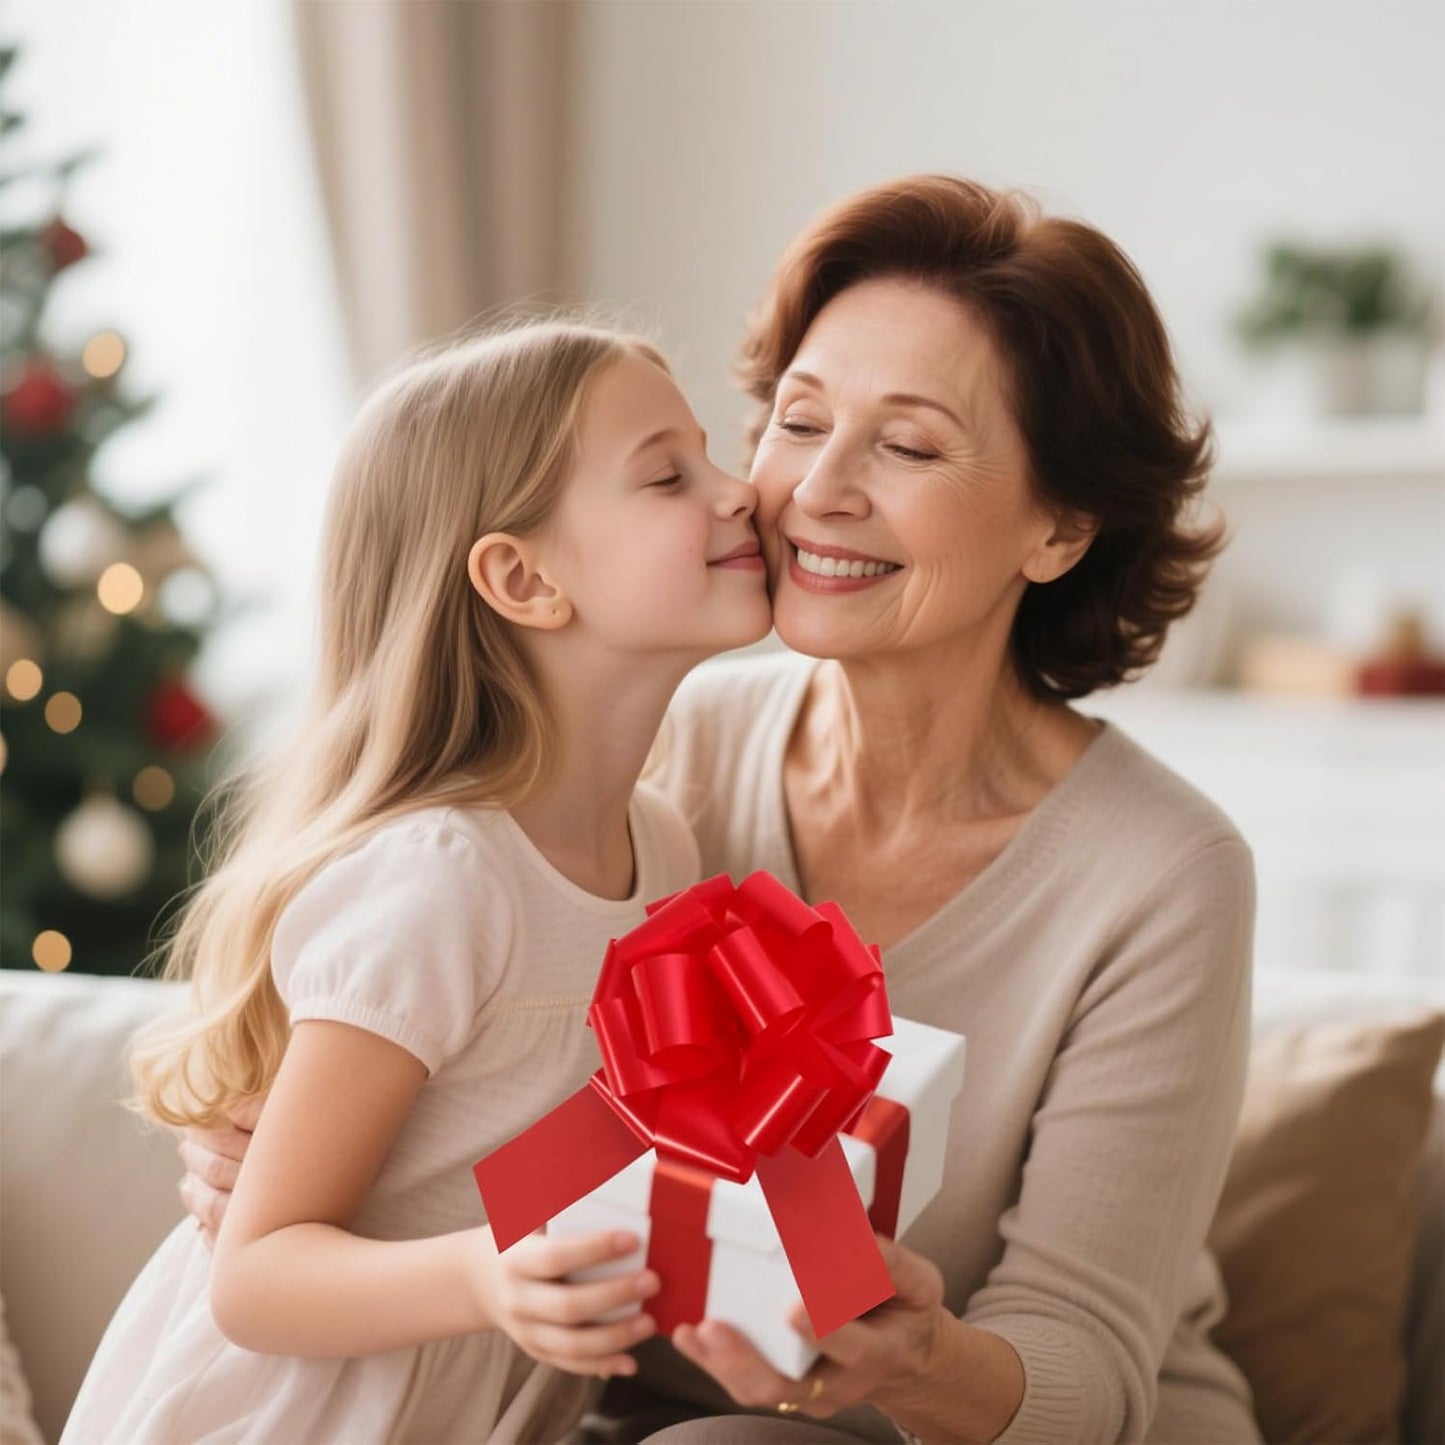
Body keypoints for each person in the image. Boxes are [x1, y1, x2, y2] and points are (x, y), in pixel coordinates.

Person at [180, 176, 1262, 1445]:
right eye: (796, 423)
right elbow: (448, 1091)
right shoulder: (653, 771)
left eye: (905, 446)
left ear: (1059, 527)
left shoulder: (1161, 871)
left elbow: (1087, 1366)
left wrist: (913, 1356)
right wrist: (268, 1161)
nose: (809, 492)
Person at [61, 320, 773, 1445]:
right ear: (522, 576)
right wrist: (493, 1279)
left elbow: (539, 1145)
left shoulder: (664, 851)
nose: (743, 492)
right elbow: (254, 1275)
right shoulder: (439, 881)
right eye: (667, 473)